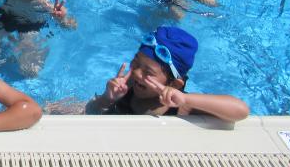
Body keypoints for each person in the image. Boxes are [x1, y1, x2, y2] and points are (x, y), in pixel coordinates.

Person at [85, 26, 250, 122]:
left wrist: (186, 99)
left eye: (148, 72)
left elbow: (241, 110)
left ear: (174, 84)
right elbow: (90, 112)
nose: (136, 73)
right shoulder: (127, 88)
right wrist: (106, 99)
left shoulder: (182, 105)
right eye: (136, 62)